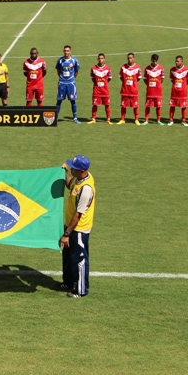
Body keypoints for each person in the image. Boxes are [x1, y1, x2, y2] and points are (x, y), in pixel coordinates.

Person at [60, 155, 95, 299]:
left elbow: (78, 215)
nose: (72, 169)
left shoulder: (86, 189)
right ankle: (68, 283)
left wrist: (67, 234)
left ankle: (80, 290)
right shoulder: (79, 178)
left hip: (78, 229)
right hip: (70, 226)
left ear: (81, 170)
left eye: (73, 168)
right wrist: (66, 172)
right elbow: (70, 185)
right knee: (68, 256)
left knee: (79, 259)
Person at [55, 45, 80, 123]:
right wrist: (62, 78)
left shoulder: (74, 60)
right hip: (62, 83)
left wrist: (72, 78)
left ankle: (75, 118)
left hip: (71, 83)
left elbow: (76, 71)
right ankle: (56, 117)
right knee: (59, 101)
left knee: (73, 100)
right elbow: (58, 71)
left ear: (70, 51)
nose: (66, 52)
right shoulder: (60, 60)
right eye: (65, 51)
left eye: (67, 51)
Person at [118, 52, 141, 125]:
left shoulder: (137, 67)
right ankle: (122, 119)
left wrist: (133, 83)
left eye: (131, 58)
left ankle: (136, 119)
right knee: (123, 105)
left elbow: (138, 78)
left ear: (134, 58)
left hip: (134, 90)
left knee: (135, 106)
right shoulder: (123, 67)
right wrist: (126, 83)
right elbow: (121, 77)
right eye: (128, 58)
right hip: (125, 90)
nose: (129, 59)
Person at [88, 53, 112, 124]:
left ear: (104, 59)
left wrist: (104, 84)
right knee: (95, 105)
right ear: (97, 59)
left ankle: (108, 119)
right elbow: (92, 78)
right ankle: (93, 119)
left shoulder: (108, 68)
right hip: (96, 90)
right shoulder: (93, 68)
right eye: (99, 58)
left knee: (107, 105)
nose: (100, 60)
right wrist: (97, 84)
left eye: (102, 58)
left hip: (105, 90)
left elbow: (109, 78)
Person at [168, 55, 188, 126]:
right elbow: (172, 79)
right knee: (172, 105)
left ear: (182, 61)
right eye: (176, 61)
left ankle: (183, 120)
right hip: (174, 91)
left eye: (178, 61)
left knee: (184, 106)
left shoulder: (187, 69)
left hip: (183, 91)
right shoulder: (172, 70)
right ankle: (171, 120)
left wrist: (183, 85)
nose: (176, 62)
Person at [143, 53, 165, 125]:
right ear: (151, 60)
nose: (154, 62)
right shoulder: (147, 68)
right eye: (153, 61)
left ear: (157, 60)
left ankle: (158, 120)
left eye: (156, 61)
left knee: (158, 106)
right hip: (150, 91)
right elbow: (145, 79)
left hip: (158, 91)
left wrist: (157, 85)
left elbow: (162, 79)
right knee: (148, 106)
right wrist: (150, 85)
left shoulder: (161, 68)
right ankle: (146, 120)